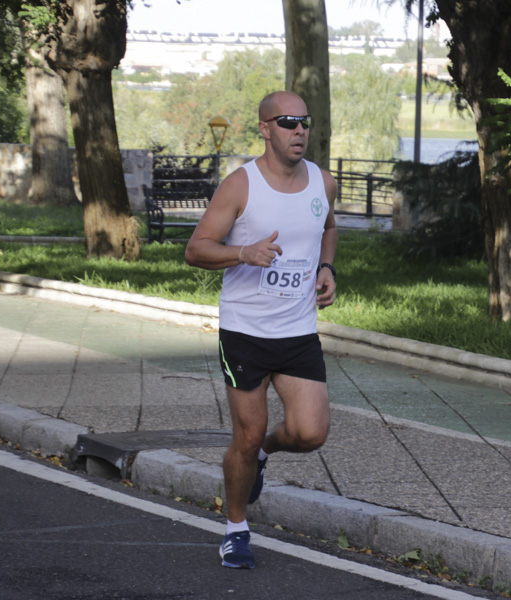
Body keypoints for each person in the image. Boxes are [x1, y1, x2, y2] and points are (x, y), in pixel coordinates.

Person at [185, 91, 338, 569]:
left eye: (305, 123)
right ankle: (235, 529)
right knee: (245, 437)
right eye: (288, 122)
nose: (300, 131)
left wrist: (328, 268)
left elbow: (329, 227)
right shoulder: (240, 186)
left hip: (296, 330)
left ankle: (267, 455)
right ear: (266, 129)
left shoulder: (322, 182)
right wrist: (242, 253)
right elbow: (196, 249)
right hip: (245, 330)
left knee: (311, 433)